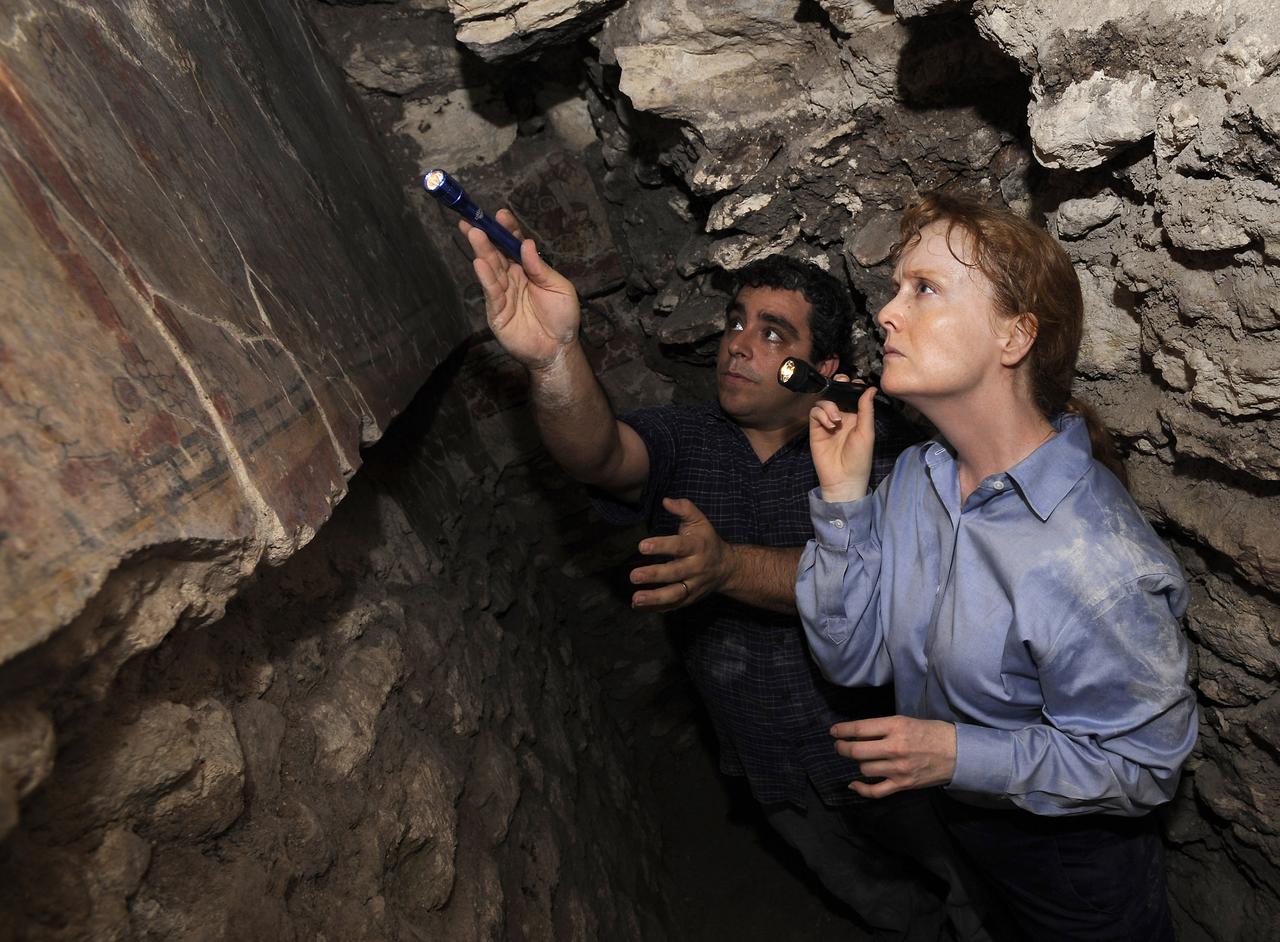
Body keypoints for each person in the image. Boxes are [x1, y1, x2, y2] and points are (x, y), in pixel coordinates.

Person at [461, 209, 990, 941]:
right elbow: (598, 455)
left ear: (823, 369)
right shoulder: (685, 439)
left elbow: (887, 586)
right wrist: (553, 357)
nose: (738, 345)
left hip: (890, 751)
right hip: (773, 762)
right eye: (737, 322)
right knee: (882, 905)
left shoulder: (879, 454)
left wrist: (728, 566)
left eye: (774, 333)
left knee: (976, 890)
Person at [797, 191, 1198, 941]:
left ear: (1014, 337)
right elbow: (848, 657)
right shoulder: (917, 479)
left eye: (923, 289)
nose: (886, 313)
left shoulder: (1095, 557)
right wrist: (844, 499)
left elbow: (1146, 769)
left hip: (1071, 864)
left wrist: (958, 753)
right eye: (895, 289)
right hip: (962, 825)